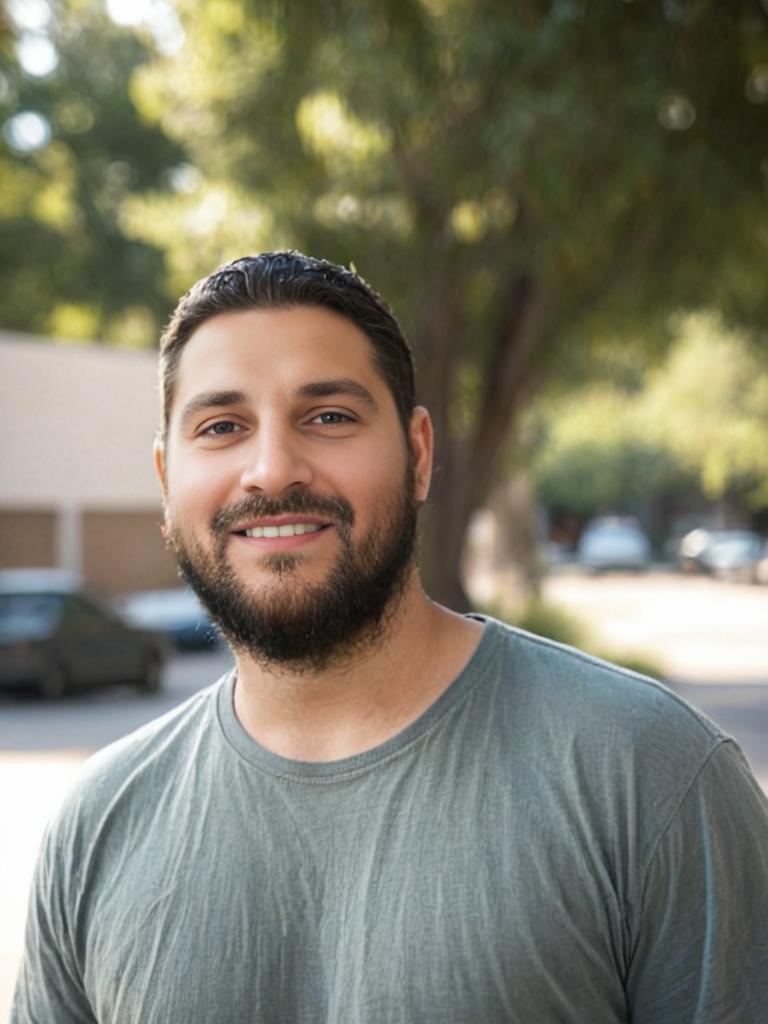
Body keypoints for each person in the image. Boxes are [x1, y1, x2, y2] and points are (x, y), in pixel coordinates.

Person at [12, 251, 768, 1023]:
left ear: (418, 455)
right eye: (223, 426)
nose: (272, 469)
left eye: (329, 416)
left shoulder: (648, 776)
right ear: (168, 482)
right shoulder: (98, 825)